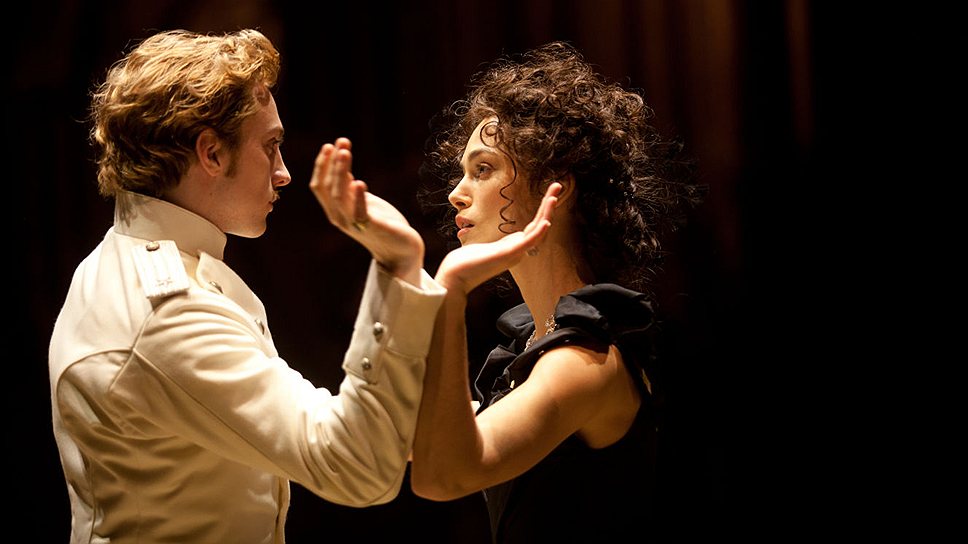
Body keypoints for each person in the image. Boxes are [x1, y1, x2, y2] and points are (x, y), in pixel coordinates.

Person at [47, 29, 453, 543]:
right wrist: (397, 264)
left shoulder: (125, 258)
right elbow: (359, 466)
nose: (283, 173)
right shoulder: (168, 312)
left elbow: (325, 426)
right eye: (270, 146)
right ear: (211, 154)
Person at [409, 41, 703, 542]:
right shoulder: (536, 344)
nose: (456, 193)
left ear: (556, 188)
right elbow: (417, 442)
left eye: (483, 170)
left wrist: (451, 292)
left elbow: (444, 476)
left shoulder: (582, 363)